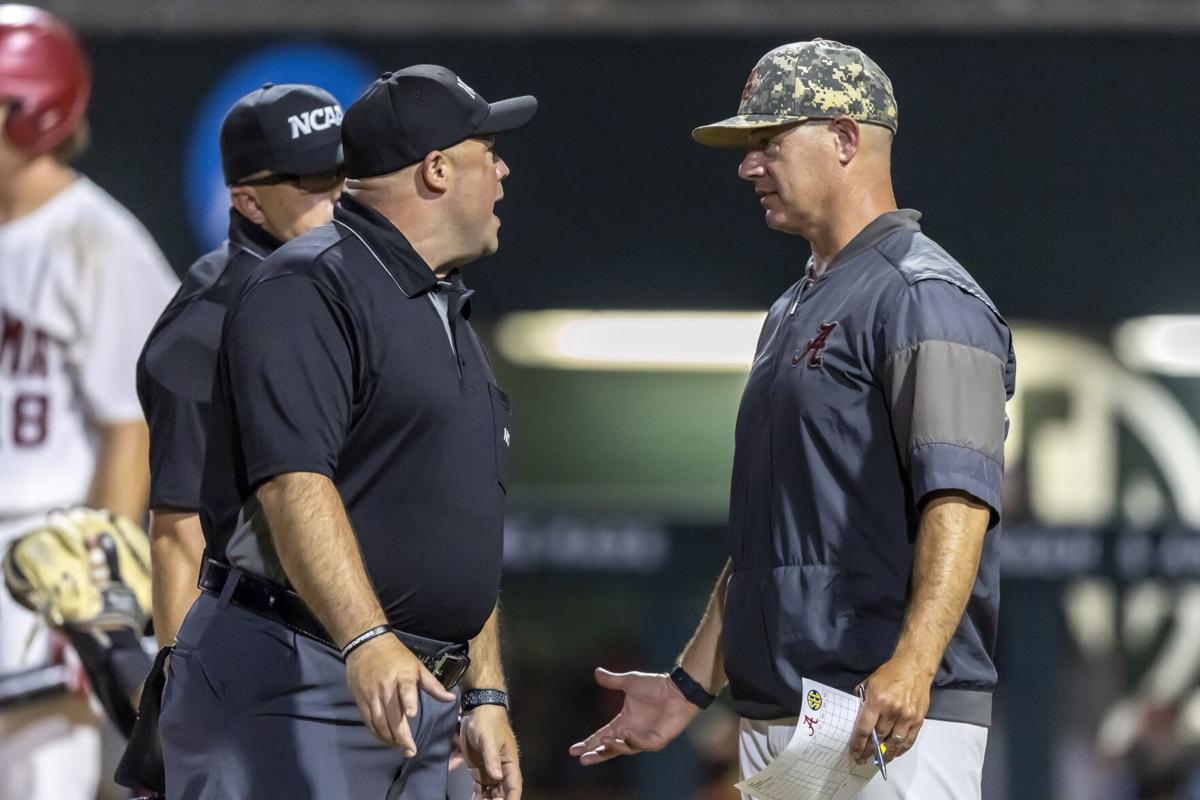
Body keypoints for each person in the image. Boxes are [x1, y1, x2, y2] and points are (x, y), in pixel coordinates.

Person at [570, 39, 1016, 800]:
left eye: (770, 142)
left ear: (845, 138)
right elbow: (770, 540)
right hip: (791, 715)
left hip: (891, 716)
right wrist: (686, 685)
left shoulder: (924, 295)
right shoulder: (793, 308)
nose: (749, 166)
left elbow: (961, 501)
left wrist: (913, 664)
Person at [160, 65, 535, 800]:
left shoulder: (441, 309)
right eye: (487, 151)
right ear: (434, 170)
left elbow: (460, 529)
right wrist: (366, 638)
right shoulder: (309, 285)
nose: (502, 169)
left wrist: (485, 692)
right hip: (294, 680)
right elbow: (294, 482)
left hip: (416, 694)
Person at [0, 5, 178, 798]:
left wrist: (100, 605)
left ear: (30, 109)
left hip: (44, 564)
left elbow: (129, 431)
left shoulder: (98, 240)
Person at [137, 82, 345, 651]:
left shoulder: (348, 286)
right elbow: (180, 538)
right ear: (249, 202)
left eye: (344, 169)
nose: (339, 192)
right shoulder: (204, 331)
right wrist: (181, 706)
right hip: (265, 656)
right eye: (312, 181)